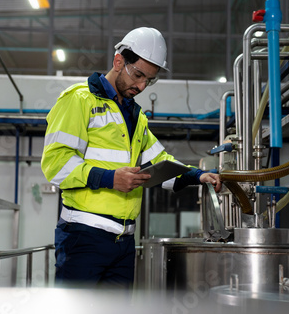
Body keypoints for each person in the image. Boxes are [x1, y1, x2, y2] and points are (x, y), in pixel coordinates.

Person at [41, 27, 221, 289]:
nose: (141, 86)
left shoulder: (136, 117)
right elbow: (55, 164)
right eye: (138, 75)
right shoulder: (79, 100)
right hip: (84, 237)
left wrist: (198, 175)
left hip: (124, 244)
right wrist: (111, 178)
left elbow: (160, 164)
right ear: (118, 61)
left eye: (149, 80)